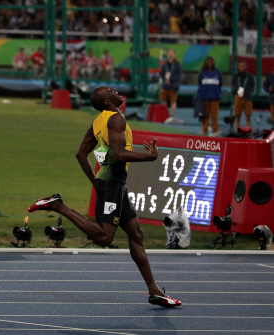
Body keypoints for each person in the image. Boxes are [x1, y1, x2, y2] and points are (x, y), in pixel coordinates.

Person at [28, 86, 181, 308]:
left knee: (136, 234)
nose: (116, 90)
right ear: (108, 102)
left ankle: (155, 291)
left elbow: (81, 154)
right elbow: (119, 155)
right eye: (111, 90)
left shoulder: (99, 120)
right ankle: (58, 205)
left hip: (112, 183)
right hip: (111, 182)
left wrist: (95, 182)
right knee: (104, 237)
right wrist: (149, 158)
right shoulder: (116, 119)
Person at [197, 56, 223, 136]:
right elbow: (199, 83)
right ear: (206, 62)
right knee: (205, 114)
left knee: (214, 115)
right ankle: (204, 130)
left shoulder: (218, 72)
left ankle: (215, 131)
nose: (210, 63)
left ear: (214, 62)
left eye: (212, 61)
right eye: (208, 61)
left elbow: (220, 83)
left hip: (215, 97)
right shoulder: (202, 72)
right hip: (204, 97)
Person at [159, 49, 184, 124]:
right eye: (169, 53)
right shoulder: (165, 64)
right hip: (165, 85)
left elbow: (179, 75)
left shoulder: (177, 64)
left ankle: (172, 115)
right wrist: (165, 80)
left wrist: (171, 80)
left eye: (171, 53)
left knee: (173, 100)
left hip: (173, 85)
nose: (170, 55)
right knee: (163, 99)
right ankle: (165, 114)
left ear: (174, 54)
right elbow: (161, 73)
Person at [232, 60, 255, 130]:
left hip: (247, 98)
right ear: (238, 67)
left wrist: (247, 92)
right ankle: (237, 132)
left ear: (246, 66)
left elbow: (253, 87)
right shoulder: (235, 76)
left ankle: (247, 132)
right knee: (237, 116)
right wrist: (237, 93)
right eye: (240, 66)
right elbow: (233, 87)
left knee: (247, 117)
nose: (242, 67)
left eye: (243, 66)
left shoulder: (250, 76)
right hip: (238, 98)